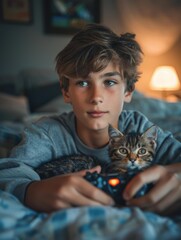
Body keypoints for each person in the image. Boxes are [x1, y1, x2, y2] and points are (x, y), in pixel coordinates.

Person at [0, 23, 181, 215]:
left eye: (109, 82)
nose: (96, 97)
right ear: (66, 92)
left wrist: (176, 175)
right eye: (83, 82)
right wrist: (33, 191)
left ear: (128, 91)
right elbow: (11, 172)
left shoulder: (138, 126)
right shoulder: (47, 132)